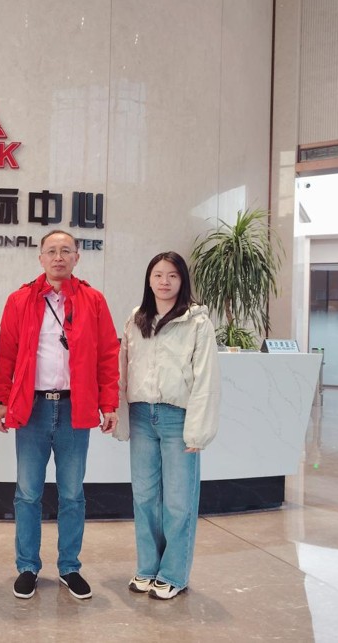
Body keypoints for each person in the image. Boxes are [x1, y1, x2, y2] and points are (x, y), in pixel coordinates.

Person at [0, 230, 120, 600]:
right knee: (27, 493)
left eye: (66, 251)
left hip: (74, 407)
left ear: (77, 257)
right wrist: (1, 399)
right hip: (31, 408)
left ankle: (69, 567)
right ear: (41, 258)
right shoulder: (20, 300)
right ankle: (27, 566)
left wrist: (109, 403)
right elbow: (6, 353)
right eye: (52, 251)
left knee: (73, 494)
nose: (59, 257)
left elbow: (107, 355)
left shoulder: (93, 300)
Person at [116, 251, 220, 600]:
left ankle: (174, 573)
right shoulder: (136, 319)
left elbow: (206, 377)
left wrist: (198, 429)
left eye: (172, 275)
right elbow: (123, 368)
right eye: (158, 275)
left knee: (178, 500)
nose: (164, 281)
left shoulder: (197, 321)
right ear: (149, 280)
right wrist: (120, 414)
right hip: (142, 415)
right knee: (144, 496)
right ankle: (147, 567)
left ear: (182, 280)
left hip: (178, 418)